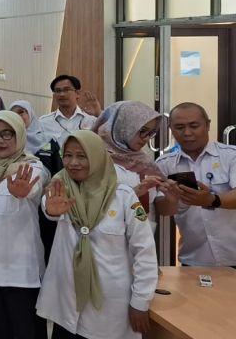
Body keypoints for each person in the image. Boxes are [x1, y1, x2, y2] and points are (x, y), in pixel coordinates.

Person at [36, 130, 157, 339]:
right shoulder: (60, 188)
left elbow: (144, 251)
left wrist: (140, 301)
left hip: (109, 305)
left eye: (82, 156)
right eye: (68, 155)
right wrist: (50, 211)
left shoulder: (124, 197)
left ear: (97, 156)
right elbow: (50, 208)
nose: (73, 163)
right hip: (67, 303)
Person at [0, 112, 48, 339]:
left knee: (26, 332)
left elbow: (36, 186)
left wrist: (24, 192)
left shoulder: (31, 167)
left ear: (19, 136)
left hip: (20, 273)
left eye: (7, 134)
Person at [155, 102, 236, 266]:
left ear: (207, 125)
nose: (187, 133)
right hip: (194, 259)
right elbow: (162, 210)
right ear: (171, 130)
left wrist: (212, 200)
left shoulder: (231, 156)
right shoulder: (164, 164)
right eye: (179, 127)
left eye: (194, 126)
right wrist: (172, 200)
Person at [92, 101, 167, 228]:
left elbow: (161, 208)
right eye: (142, 131)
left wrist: (171, 195)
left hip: (143, 236)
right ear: (122, 126)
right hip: (108, 236)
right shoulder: (94, 159)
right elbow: (91, 205)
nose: (146, 138)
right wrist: (135, 192)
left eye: (150, 133)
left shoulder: (145, 162)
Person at [38, 75, 97, 145]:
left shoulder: (92, 121)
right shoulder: (43, 122)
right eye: (58, 91)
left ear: (77, 93)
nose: (62, 94)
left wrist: (99, 114)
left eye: (66, 90)